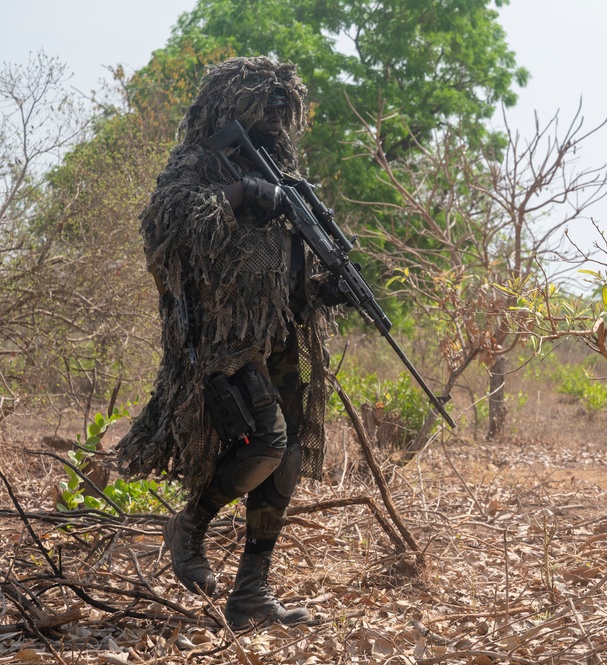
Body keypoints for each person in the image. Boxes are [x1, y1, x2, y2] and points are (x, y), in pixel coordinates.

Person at [115, 56, 336, 630]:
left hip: (279, 334)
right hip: (222, 339)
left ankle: (251, 593)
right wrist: (239, 192)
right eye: (262, 102)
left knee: (285, 460)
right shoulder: (201, 161)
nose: (274, 114)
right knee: (265, 444)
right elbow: (164, 227)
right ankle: (191, 522)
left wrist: (325, 287)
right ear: (228, 104)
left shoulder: (287, 175)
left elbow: (282, 272)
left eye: (282, 105)